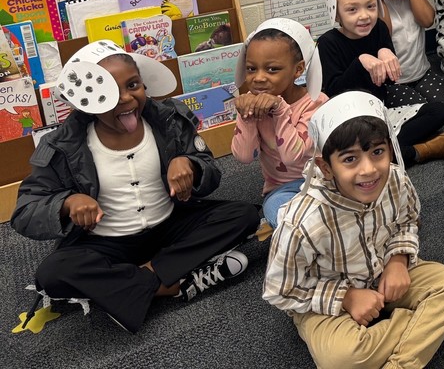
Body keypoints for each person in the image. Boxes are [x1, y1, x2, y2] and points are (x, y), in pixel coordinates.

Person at [12, 40, 259, 332]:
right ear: (88, 100)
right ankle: (172, 283)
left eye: (133, 85)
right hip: (105, 243)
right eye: (110, 93)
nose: (127, 98)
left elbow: (210, 171)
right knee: (51, 273)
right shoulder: (63, 145)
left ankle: (143, 281)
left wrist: (190, 165)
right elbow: (24, 211)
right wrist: (67, 204)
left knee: (244, 215)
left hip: (169, 225)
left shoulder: (168, 120)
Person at [264, 91, 444, 369]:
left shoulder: (395, 178)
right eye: (350, 159)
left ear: (389, 147)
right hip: (330, 299)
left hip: (386, 273)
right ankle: (433, 322)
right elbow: (280, 290)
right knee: (341, 360)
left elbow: (408, 220)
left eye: (377, 152)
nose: (369, 170)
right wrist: (346, 297)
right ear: (325, 167)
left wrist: (397, 260)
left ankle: (408, 349)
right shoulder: (303, 220)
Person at [317, 0, 444, 165]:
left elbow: (390, 78)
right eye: (352, 10)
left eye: (371, 6)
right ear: (336, 13)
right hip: (350, 121)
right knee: (346, 145)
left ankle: (380, 152)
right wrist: (361, 62)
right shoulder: (327, 43)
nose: (364, 15)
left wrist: (387, 52)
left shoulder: (379, 29)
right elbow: (334, 93)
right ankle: (413, 152)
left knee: (439, 111)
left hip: (380, 110)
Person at [230, 18, 327, 228]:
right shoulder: (254, 105)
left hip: (324, 181)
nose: (258, 78)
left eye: (272, 69)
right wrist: (245, 116)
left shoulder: (315, 104)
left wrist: (280, 110)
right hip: (283, 189)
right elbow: (245, 157)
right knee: (276, 209)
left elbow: (293, 156)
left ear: (298, 69)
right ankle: (310, 234)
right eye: (251, 69)